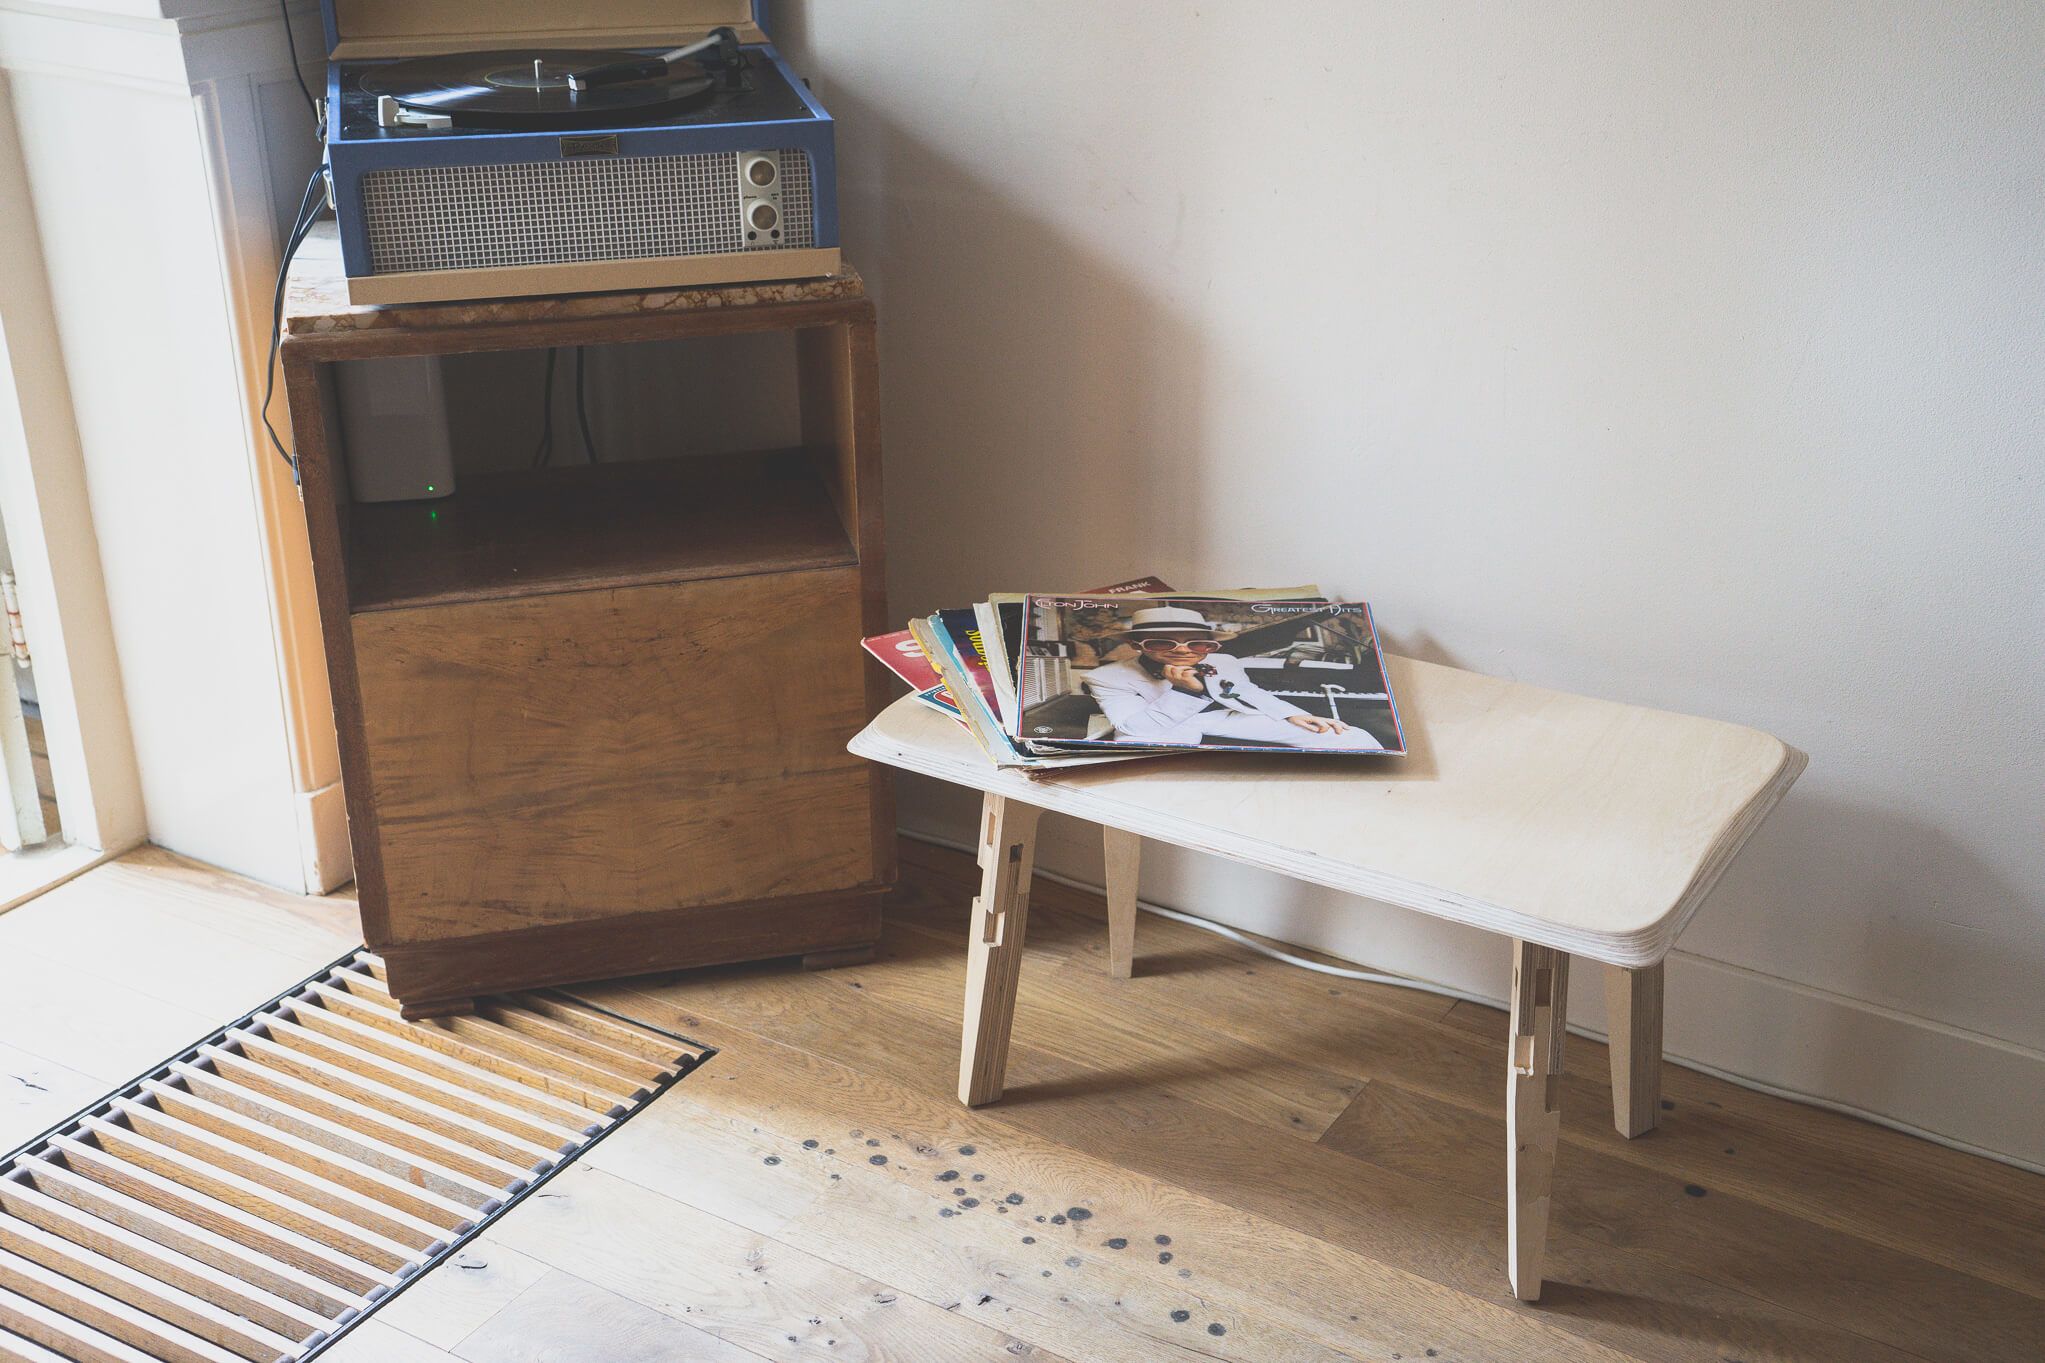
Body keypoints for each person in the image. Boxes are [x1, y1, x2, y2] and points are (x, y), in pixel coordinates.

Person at [1081, 606, 1383, 750]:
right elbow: (1134, 726)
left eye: (1197, 644)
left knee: (1351, 738)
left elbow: (1247, 691)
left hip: (1226, 717)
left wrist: (1294, 714)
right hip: (1163, 726)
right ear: (1136, 645)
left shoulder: (1223, 660)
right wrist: (1185, 692)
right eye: (1164, 643)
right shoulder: (1106, 676)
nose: (1183, 651)